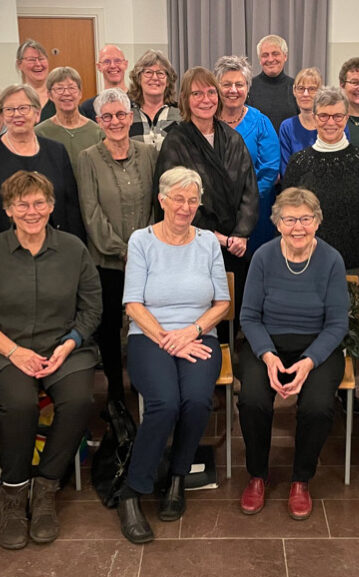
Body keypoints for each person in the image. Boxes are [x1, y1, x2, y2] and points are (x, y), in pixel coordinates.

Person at [0, 170, 101, 550]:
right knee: (20, 403)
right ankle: (13, 494)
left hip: (63, 348)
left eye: (39, 202)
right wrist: (14, 351)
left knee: (79, 400)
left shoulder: (73, 249)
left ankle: (45, 489)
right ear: (8, 209)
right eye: (22, 204)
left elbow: (92, 308)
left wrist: (70, 344)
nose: (32, 211)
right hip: (4, 351)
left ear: (51, 206)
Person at [116, 166, 230, 544]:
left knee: (196, 400)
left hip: (198, 335)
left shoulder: (208, 242)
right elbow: (133, 304)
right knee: (164, 403)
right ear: (162, 200)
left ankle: (178, 477)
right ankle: (132, 490)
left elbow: (222, 303)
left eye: (192, 200)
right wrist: (168, 338)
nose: (185, 207)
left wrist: (191, 332)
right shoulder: (142, 241)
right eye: (178, 199)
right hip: (150, 335)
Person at [237, 187, 348, 520]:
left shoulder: (331, 259)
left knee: (318, 406)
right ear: (277, 223)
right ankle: (257, 474)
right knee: (253, 400)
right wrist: (268, 355)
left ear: (317, 221)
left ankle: (301, 479)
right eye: (289, 219)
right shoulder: (263, 257)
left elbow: (338, 323)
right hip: (267, 343)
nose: (298, 227)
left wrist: (309, 361)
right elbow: (249, 317)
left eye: (305, 219)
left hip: (318, 346)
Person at [154, 67, 258, 322]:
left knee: (232, 313)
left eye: (211, 92)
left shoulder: (233, 138)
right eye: (197, 93)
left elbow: (249, 188)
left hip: (233, 246)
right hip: (192, 243)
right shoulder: (176, 141)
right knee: (197, 313)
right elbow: (173, 200)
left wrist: (241, 234)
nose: (206, 99)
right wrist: (215, 237)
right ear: (185, 99)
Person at [77, 88, 158, 402]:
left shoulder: (149, 154)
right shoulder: (87, 158)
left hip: (147, 261)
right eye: (107, 116)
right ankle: (114, 394)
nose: (115, 121)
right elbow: (91, 212)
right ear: (99, 121)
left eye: (121, 114)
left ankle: (143, 384)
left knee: (144, 325)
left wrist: (141, 250)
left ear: (131, 117)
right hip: (107, 262)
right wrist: (123, 251)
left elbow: (156, 205)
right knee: (109, 327)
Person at [283, 87, 359, 281]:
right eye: (323, 116)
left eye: (337, 116)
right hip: (306, 263)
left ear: (346, 118)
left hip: (354, 266)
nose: (330, 122)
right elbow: (286, 215)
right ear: (314, 118)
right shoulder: (298, 163)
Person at [0, 84, 83, 249]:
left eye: (23, 108)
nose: (17, 114)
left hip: (56, 248)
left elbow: (71, 207)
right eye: (9, 109)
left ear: (37, 114)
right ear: (2, 115)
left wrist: (75, 248)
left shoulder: (57, 151)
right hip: (5, 250)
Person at [214, 55, 280, 254]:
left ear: (248, 88)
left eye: (239, 84)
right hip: (213, 215)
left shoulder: (261, 122)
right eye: (227, 84)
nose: (233, 90)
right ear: (217, 87)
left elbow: (270, 170)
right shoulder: (207, 121)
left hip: (254, 213)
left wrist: (243, 200)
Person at [34, 66, 104, 171]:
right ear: (50, 95)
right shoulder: (40, 133)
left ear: (80, 93)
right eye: (59, 88)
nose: (66, 93)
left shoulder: (97, 132)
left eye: (72, 88)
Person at [127, 50, 181, 150]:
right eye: (148, 72)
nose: (155, 78)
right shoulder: (127, 115)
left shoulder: (181, 114)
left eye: (160, 73)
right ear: (138, 79)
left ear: (168, 81)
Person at [278, 68, 326, 176]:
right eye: (301, 88)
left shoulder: (331, 125)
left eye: (312, 89)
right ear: (294, 91)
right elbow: (286, 170)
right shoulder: (287, 127)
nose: (305, 94)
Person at [247, 34, 298, 132]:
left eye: (275, 54)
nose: (270, 59)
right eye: (265, 55)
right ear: (260, 60)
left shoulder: (297, 88)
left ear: (285, 56)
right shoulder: (248, 88)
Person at [80, 45, 129, 120]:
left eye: (117, 61)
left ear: (125, 64)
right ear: (99, 67)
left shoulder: (140, 102)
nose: (112, 66)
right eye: (107, 62)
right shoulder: (87, 108)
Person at [15, 39, 51, 117]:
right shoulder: (14, 97)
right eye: (31, 60)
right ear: (19, 64)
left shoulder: (59, 94)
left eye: (41, 59)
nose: (38, 64)